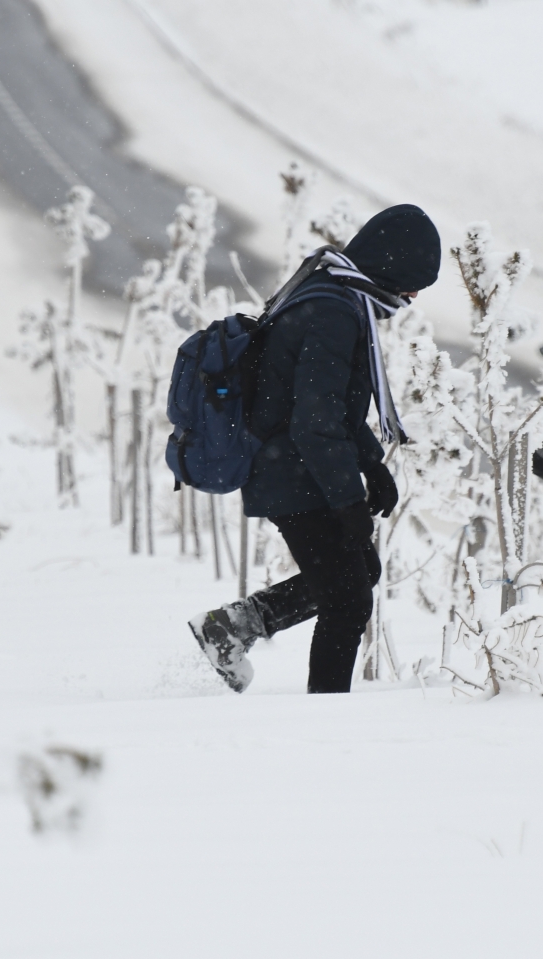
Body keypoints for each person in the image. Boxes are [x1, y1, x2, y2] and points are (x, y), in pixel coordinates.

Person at [189, 204, 441, 694]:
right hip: (291, 469)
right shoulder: (334, 312)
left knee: (357, 574)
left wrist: (372, 465)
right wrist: (348, 501)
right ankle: (327, 719)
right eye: (413, 282)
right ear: (391, 266)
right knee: (348, 601)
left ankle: (232, 628)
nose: (412, 296)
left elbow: (332, 405)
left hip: (291, 464)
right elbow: (316, 423)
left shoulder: (333, 293)